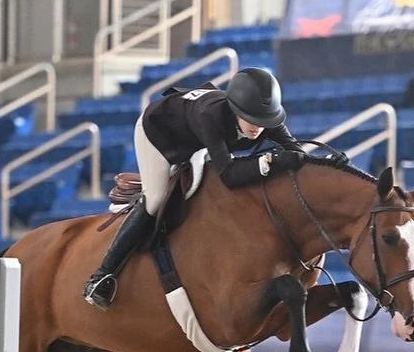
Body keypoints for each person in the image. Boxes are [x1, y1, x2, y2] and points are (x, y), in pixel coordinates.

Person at [82, 67, 308, 310]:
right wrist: (269, 162)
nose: (258, 128)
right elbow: (230, 175)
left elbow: (297, 153)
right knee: (156, 200)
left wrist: (333, 162)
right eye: (251, 119)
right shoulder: (210, 115)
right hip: (159, 134)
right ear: (234, 110)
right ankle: (102, 276)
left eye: (264, 122)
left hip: (196, 140)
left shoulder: (263, 117)